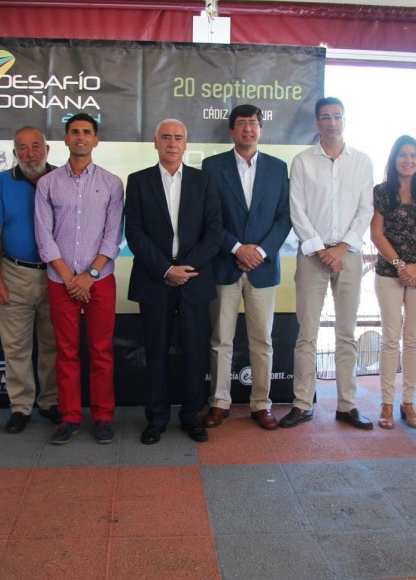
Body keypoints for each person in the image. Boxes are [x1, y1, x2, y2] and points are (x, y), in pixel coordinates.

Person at [125, 119, 222, 444]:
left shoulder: (203, 181)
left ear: (185, 143)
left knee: (195, 351)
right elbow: (134, 233)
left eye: (177, 138)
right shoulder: (137, 182)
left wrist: (186, 268)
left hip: (194, 280)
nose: (171, 143)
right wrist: (166, 269)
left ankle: (192, 416)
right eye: (165, 137)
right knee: (155, 351)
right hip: (155, 279)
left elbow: (213, 232)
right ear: (155, 143)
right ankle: (156, 418)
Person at [283, 97, 374, 430]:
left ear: (345, 120)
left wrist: (342, 247)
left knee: (346, 334)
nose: (332, 122)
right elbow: (297, 210)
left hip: (348, 255)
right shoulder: (303, 161)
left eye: (337, 116)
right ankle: (302, 403)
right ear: (317, 122)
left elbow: (366, 210)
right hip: (312, 256)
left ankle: (347, 405)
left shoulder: (362, 162)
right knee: (306, 334)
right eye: (325, 117)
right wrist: (322, 250)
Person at [201, 105, 291, 431]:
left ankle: (261, 404)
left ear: (261, 130)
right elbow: (209, 219)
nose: (248, 130)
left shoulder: (278, 169)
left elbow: (284, 219)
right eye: (241, 124)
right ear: (231, 130)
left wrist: (260, 252)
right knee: (221, 339)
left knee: (262, 341)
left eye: (253, 124)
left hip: (263, 268)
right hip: (225, 264)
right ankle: (219, 402)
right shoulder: (212, 167)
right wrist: (238, 248)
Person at [35, 113, 123, 445]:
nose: (81, 137)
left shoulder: (113, 183)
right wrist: (71, 277)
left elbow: (112, 238)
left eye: (87, 132)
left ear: (96, 140)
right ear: (66, 138)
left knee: (101, 352)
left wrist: (89, 275)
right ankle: (69, 416)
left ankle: (102, 417)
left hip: (99, 280)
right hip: (62, 281)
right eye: (75, 132)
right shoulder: (47, 183)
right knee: (66, 351)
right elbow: (44, 237)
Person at [0, 126, 59, 433]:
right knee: (15, 346)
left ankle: (51, 401)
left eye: (36, 146)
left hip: (55, 274)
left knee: (53, 344)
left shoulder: (61, 180)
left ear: (47, 149)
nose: (31, 153)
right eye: (23, 148)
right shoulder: (2, 183)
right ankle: (20, 406)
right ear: (15, 153)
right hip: (14, 273)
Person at [370, 135, 416, 430]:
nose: (408, 160)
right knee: (390, 338)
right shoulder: (382, 192)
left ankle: (408, 403)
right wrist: (401, 266)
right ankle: (386, 404)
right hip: (389, 274)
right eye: (403, 155)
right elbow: (376, 233)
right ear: (394, 158)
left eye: (414, 155)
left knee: (412, 340)